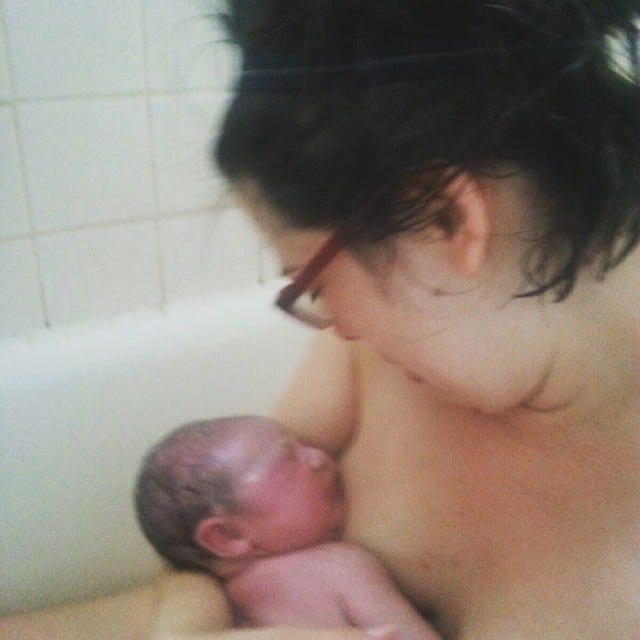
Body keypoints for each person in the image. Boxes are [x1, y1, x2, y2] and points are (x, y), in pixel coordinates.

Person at [3, 2, 639, 639]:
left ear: (446, 220)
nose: (336, 324)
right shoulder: (383, 345)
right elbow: (205, 529)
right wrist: (189, 621)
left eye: (314, 282)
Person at [134, 416, 441, 639]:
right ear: (227, 536)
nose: (319, 457)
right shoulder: (339, 567)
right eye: (289, 458)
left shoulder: (212, 599)